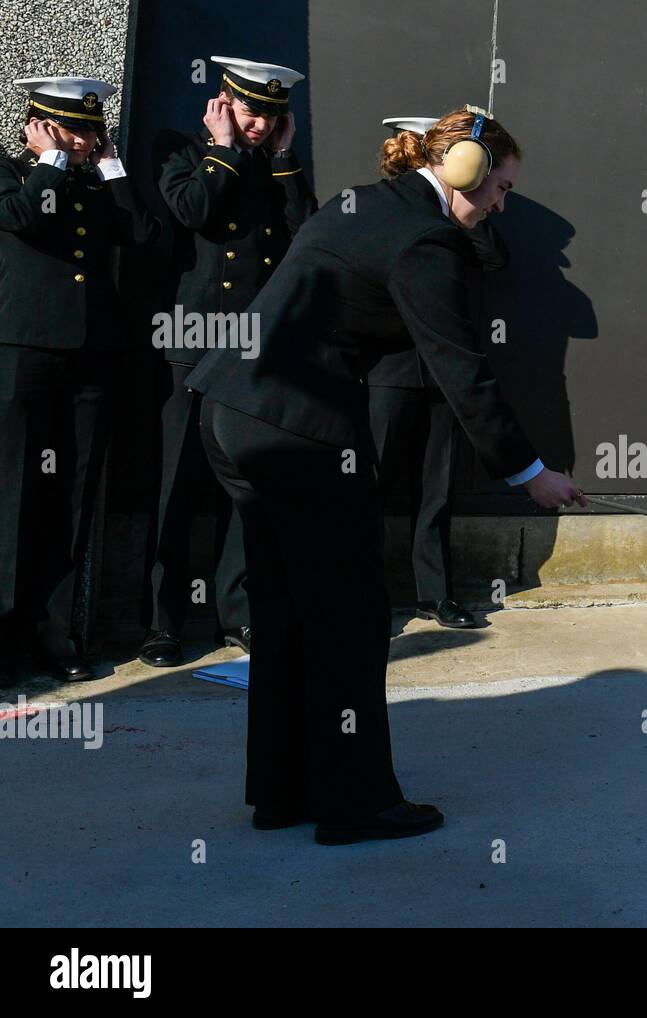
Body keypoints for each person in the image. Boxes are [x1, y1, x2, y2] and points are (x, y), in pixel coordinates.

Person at [186, 106, 585, 845]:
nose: (501, 203)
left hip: (234, 413)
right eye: (498, 186)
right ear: (463, 168)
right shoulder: (425, 242)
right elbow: (463, 372)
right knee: (350, 618)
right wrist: (531, 473)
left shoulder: (368, 203)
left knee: (285, 613)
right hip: (298, 433)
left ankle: (281, 791)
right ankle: (354, 803)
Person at [140, 57, 317, 668]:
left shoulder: (277, 161)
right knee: (178, 484)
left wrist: (286, 161)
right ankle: (163, 623)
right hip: (193, 339)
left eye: (273, 114)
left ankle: (237, 613)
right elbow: (193, 212)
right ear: (221, 102)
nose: (262, 125)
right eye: (251, 111)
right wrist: (222, 148)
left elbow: (305, 237)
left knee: (247, 484)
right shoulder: (182, 149)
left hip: (253, 345)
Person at [0, 77, 159, 686]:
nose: (86, 142)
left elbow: (141, 234)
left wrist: (112, 165)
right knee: (13, 495)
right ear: (38, 127)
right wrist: (50, 163)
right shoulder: (16, 175)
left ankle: (55, 635)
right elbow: (21, 219)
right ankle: (5, 639)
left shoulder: (95, 180)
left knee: (73, 494)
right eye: (74, 130)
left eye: (93, 131)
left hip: (89, 358)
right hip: (23, 353)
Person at [370, 116, 509, 629]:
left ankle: (435, 593)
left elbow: (494, 258)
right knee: (374, 481)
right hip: (390, 365)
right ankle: (367, 592)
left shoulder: (462, 214)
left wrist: (469, 212)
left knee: (439, 487)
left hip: (443, 371)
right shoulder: (390, 205)